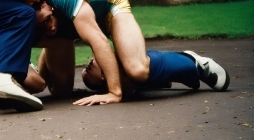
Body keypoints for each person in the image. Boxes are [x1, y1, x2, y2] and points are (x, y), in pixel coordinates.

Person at [22, 0, 230, 106]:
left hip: (109, 9)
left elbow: (97, 39)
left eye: (48, 20)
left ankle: (192, 62)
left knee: (137, 70)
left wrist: (114, 92)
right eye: (41, 25)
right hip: (70, 23)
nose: (48, 28)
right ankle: (158, 78)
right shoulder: (19, 2)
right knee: (61, 93)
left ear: (46, 0)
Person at [81, 51, 230, 98]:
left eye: (90, 63)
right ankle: (164, 81)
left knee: (189, 70)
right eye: (89, 68)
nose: (89, 62)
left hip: (147, 65)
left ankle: (194, 61)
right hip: (132, 80)